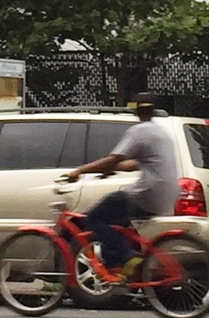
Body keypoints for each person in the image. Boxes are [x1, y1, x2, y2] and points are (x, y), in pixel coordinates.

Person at [66, 92, 179, 281]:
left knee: (93, 218)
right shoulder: (161, 132)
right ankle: (130, 267)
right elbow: (135, 163)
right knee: (117, 222)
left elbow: (114, 158)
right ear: (153, 111)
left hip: (147, 194)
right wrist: (112, 168)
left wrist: (79, 171)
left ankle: (125, 259)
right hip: (167, 195)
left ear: (136, 111)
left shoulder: (139, 131)